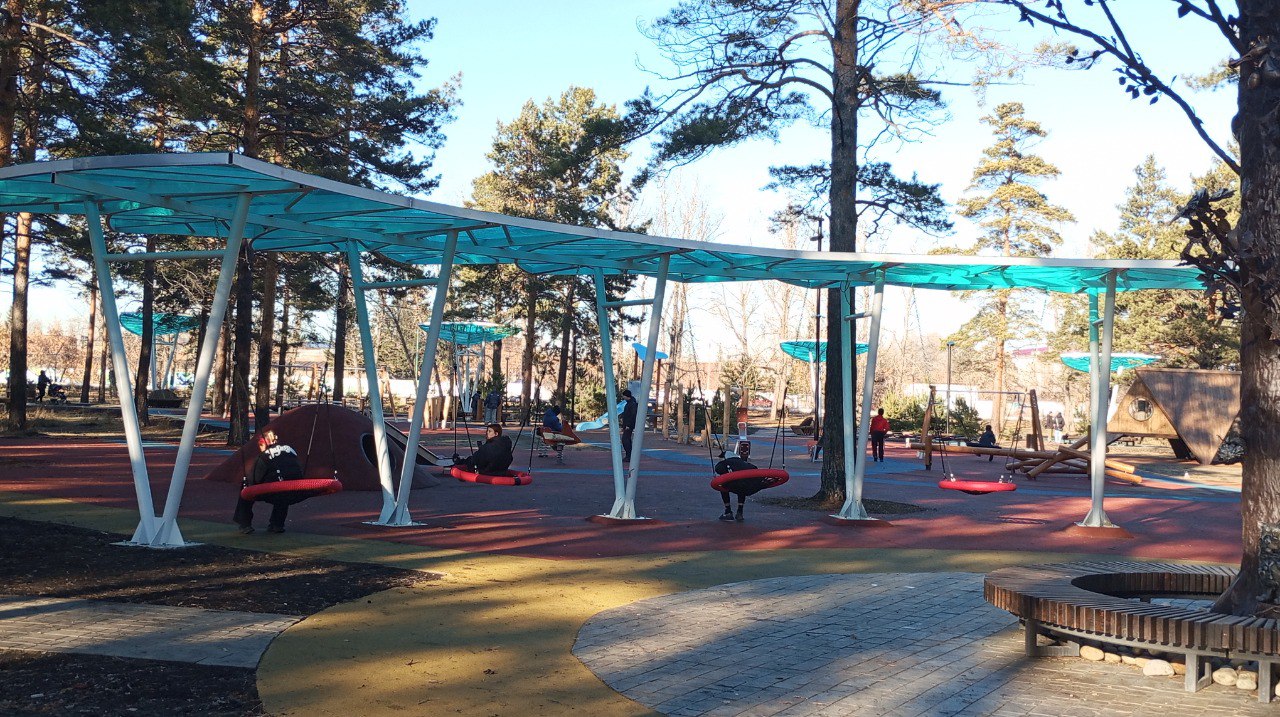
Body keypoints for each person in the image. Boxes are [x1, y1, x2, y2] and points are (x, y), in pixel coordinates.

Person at [234, 429, 303, 535]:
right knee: (283, 486)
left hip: (273, 492)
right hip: (294, 489)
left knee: (246, 487)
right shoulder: (290, 450)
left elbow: (255, 479)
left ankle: (244, 523)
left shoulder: (264, 456)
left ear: (263, 443)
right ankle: (277, 524)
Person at [714, 443, 756, 522]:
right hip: (745, 486)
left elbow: (718, 469)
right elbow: (754, 469)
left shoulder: (725, 462)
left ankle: (728, 511)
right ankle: (740, 511)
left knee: (722, 485)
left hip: (731, 485)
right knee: (742, 486)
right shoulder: (744, 462)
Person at [620, 389, 638, 462]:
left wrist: (628, 425)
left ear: (626, 396)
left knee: (625, 440)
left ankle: (629, 455)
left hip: (629, 425)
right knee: (627, 440)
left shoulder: (632, 404)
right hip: (627, 425)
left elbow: (632, 415)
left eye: (624, 396)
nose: (623, 397)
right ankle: (629, 455)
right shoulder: (629, 403)